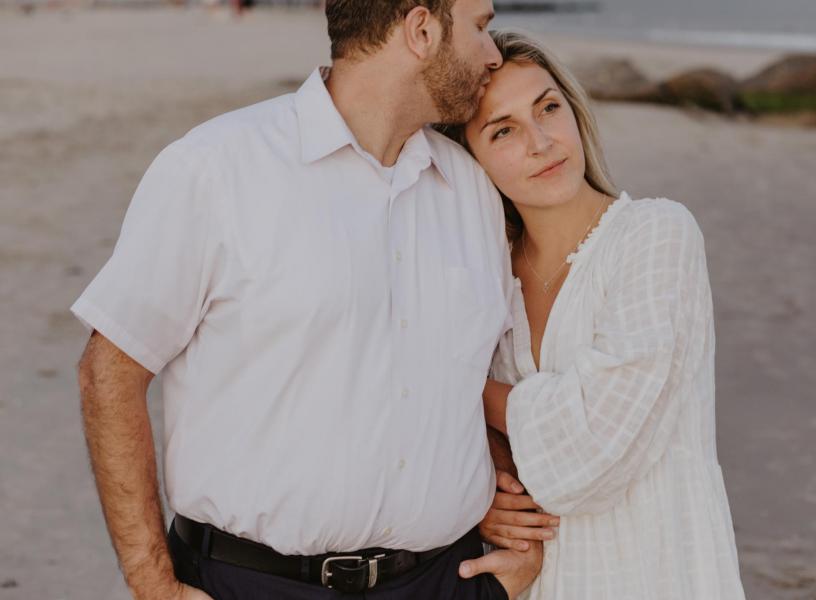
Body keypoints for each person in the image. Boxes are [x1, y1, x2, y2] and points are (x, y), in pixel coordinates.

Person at [72, 3, 551, 599]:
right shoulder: (218, 168)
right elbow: (108, 374)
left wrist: (500, 496)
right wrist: (154, 586)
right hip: (252, 585)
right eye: (480, 26)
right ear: (422, 30)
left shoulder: (472, 191)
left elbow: (472, 382)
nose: (493, 53)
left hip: (444, 581)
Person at [443, 30, 747, 599]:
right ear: (470, 161)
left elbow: (594, 447)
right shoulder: (483, 280)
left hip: (655, 572)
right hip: (532, 582)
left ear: (574, 112)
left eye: (548, 108)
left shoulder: (655, 234)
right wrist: (490, 493)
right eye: (503, 130)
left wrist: (465, 386)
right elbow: (444, 439)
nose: (541, 142)